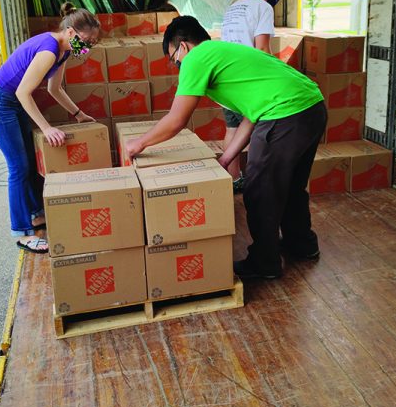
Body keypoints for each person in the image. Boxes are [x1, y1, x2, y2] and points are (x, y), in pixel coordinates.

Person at [125, 16, 326, 280]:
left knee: (260, 191)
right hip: (312, 107)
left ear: (183, 46)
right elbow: (252, 115)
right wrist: (228, 156)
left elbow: (176, 120)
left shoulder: (198, 57)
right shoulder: (226, 53)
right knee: (290, 186)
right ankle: (302, 246)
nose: (177, 66)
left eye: (174, 59)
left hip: (285, 114)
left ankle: (265, 263)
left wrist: (138, 143)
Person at [0, 2, 99, 254]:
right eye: (86, 41)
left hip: (10, 101)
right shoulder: (48, 49)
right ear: (70, 33)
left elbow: (54, 89)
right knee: (18, 168)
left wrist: (78, 114)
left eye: (92, 43)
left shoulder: (64, 51)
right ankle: (22, 232)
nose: (87, 47)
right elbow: (24, 92)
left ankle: (35, 215)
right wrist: (47, 129)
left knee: (30, 164)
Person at [220, 0, 286, 191]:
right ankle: (262, 182)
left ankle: (235, 179)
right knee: (261, 132)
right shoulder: (263, 7)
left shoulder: (234, 6)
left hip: (226, 78)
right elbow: (263, 50)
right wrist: (282, 76)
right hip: (248, 81)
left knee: (232, 128)